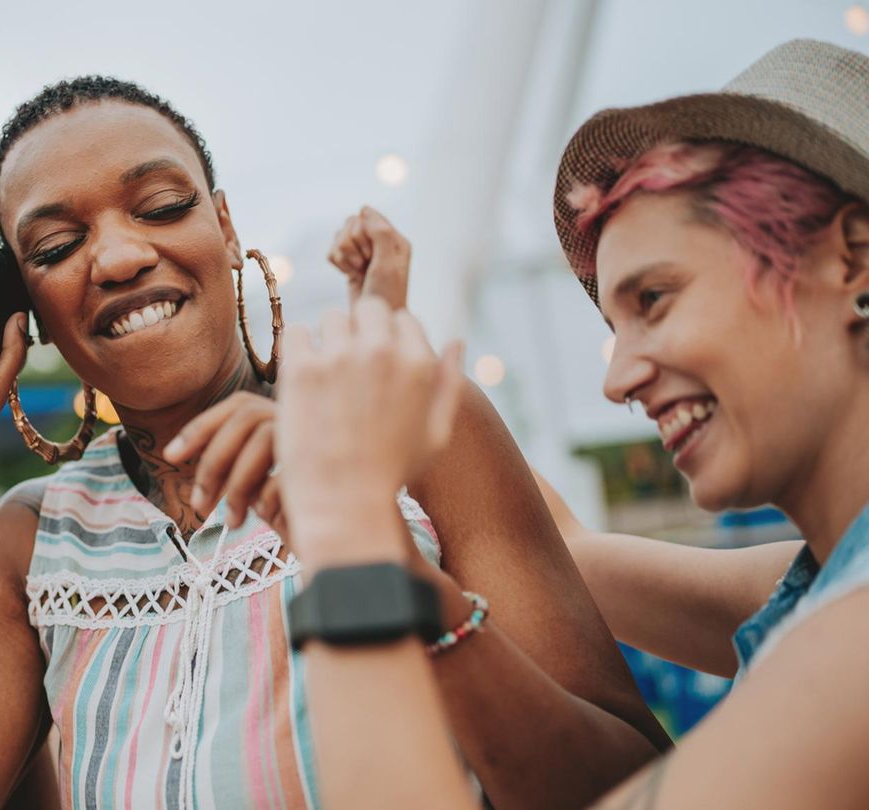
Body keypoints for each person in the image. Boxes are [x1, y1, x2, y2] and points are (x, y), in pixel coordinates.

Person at [0, 76, 665, 810]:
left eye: (161, 207)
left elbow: (628, 784)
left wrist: (403, 589)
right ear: (26, 307)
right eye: (58, 246)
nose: (119, 257)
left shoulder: (416, 434)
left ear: (224, 228)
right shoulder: (34, 542)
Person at [286, 38, 869, 808]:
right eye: (613, 327)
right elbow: (566, 550)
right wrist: (390, 343)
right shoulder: (813, 582)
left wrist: (349, 529)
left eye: (654, 300)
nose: (616, 380)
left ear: (851, 258)